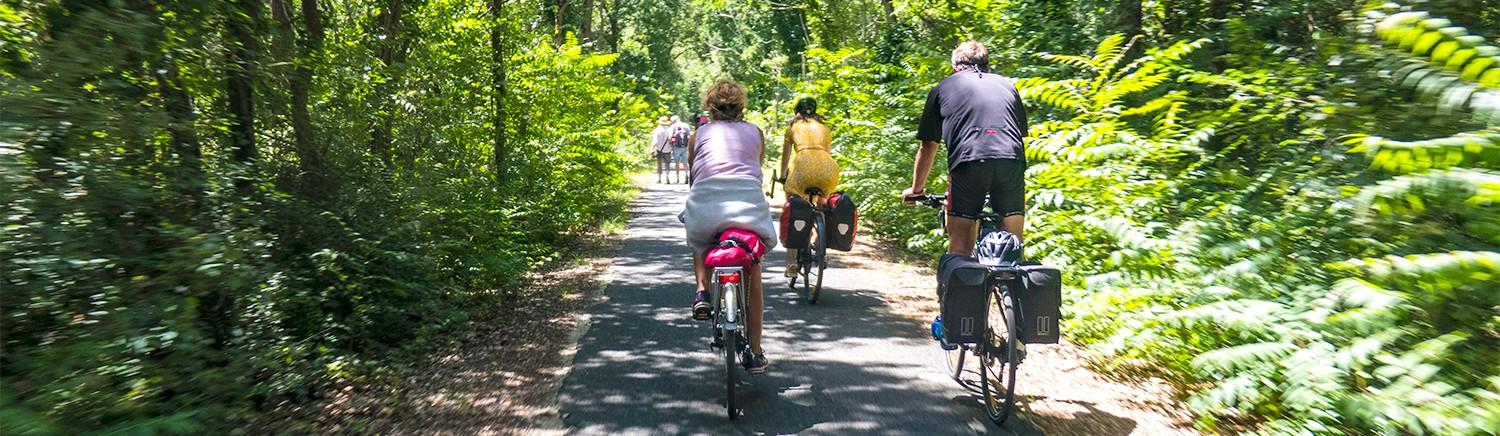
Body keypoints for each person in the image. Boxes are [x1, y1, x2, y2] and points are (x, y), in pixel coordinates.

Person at [680, 79, 775, 374]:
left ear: (710, 105)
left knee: (701, 238)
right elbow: (756, 168)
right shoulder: (756, 132)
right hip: (747, 201)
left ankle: (701, 291)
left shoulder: (699, 134)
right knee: (754, 272)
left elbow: (695, 176)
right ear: (741, 106)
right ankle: (755, 352)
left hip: (707, 200)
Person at [901, 40, 1029, 254]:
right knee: (1013, 246)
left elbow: (928, 146)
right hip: (1012, 161)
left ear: (954, 68)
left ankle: (963, 281)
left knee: (959, 248)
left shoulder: (942, 89)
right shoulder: (1007, 85)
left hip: (969, 162)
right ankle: (1010, 280)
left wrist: (916, 191)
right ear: (987, 66)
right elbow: (1017, 133)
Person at [778, 97, 840, 279]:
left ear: (797, 111)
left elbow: (786, 156)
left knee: (793, 208)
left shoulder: (792, 127)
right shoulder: (825, 128)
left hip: (802, 167)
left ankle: (791, 263)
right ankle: (819, 243)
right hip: (827, 169)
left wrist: (783, 176)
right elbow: (827, 154)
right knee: (822, 206)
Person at [668, 115, 692, 183]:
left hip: (676, 147)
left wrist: (670, 143)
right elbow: (690, 136)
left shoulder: (672, 126)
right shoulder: (685, 125)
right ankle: (686, 175)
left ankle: (678, 178)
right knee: (685, 162)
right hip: (685, 146)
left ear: (673, 121)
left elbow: (670, 137)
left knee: (677, 162)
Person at [651, 116, 674, 184]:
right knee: (667, 163)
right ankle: (667, 176)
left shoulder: (657, 130)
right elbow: (670, 140)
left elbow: (655, 141)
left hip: (659, 149)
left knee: (659, 164)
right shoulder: (669, 129)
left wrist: (652, 148)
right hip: (668, 149)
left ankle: (659, 178)